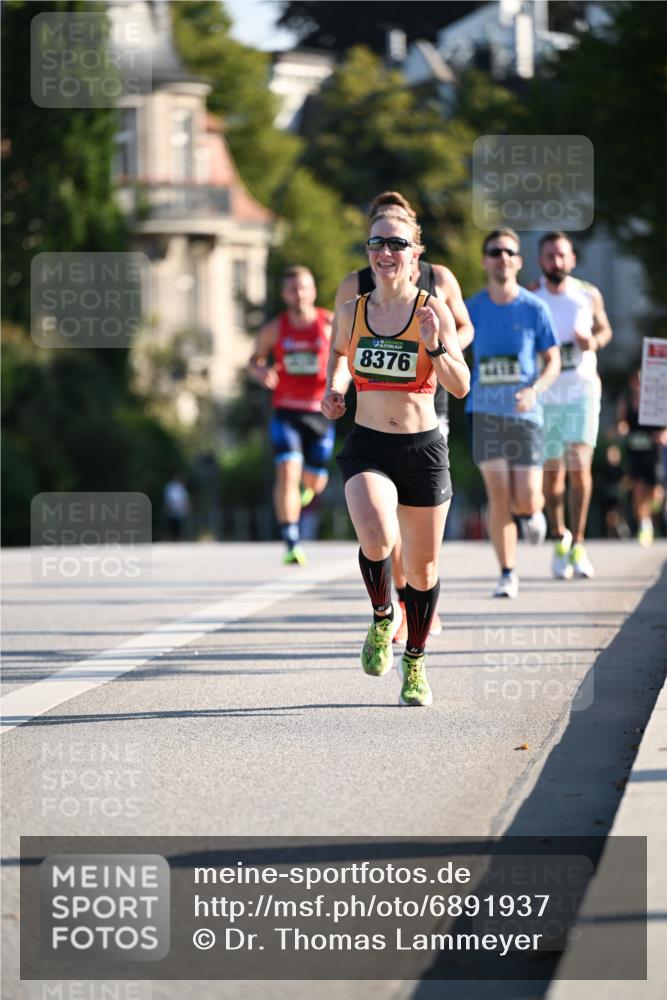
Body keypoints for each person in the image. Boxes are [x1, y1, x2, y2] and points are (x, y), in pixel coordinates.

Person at [322, 208, 470, 706]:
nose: (386, 252)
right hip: (368, 444)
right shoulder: (352, 310)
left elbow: (462, 385)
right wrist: (334, 390)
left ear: (415, 255)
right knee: (377, 534)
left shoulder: (433, 309)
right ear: (369, 252)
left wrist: (435, 345)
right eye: (377, 243)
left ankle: (416, 662)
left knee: (424, 571)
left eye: (398, 244)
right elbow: (341, 356)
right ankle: (383, 616)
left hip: (422, 449)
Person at [465, 229, 561, 599]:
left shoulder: (535, 308)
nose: (502, 257)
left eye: (509, 251)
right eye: (494, 251)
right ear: (485, 260)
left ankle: (531, 513)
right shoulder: (472, 308)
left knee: (526, 496)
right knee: (499, 492)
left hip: (524, 414)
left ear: (518, 261)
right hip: (483, 411)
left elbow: (552, 361)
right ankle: (507, 572)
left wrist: (534, 389)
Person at [530, 232, 613, 579]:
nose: (557, 262)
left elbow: (606, 330)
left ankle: (578, 542)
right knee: (553, 474)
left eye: (562, 256)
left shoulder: (588, 293)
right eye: (550, 256)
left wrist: (592, 340)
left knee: (580, 468)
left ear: (572, 259)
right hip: (547, 393)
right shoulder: (531, 296)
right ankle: (560, 535)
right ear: (541, 260)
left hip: (581, 390)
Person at [249, 266, 334, 565]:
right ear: (284, 294)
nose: (298, 294)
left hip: (320, 413)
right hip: (286, 412)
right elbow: (254, 360)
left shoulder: (329, 323)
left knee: (314, 483)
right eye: (292, 289)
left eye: (303, 288)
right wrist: (261, 371)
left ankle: (306, 493)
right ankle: (290, 540)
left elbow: (349, 354)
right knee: (287, 471)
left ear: (313, 291)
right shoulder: (275, 328)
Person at [617, 370, 667, 545]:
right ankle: (645, 526)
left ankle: (655, 511)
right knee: (638, 489)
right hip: (635, 453)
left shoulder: (655, 403)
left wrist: (663, 435)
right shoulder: (627, 401)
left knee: (655, 493)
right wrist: (621, 429)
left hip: (653, 453)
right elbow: (621, 422)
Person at [163, 474, 190, 541]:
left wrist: (186, 506)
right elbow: (167, 497)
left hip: (180, 508)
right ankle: (172, 537)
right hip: (172, 508)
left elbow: (184, 498)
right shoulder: (170, 486)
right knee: (172, 523)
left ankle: (178, 538)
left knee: (179, 524)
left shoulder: (181, 487)